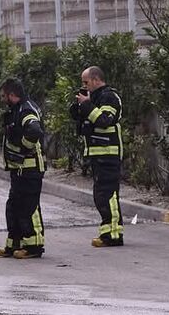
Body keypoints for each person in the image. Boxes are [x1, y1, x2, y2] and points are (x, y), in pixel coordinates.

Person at [70, 66, 124, 247]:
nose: (84, 86)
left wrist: (87, 105)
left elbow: (105, 120)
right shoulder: (92, 97)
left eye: (86, 82)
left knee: (108, 194)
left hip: (108, 154)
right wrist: (78, 106)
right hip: (97, 154)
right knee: (100, 196)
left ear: (96, 79)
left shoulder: (109, 97)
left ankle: (114, 234)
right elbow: (82, 119)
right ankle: (107, 232)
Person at [0, 78, 46, 260]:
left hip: (30, 168)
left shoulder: (26, 110)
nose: (3, 100)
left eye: (4, 96)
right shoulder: (17, 109)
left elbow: (34, 131)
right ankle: (14, 244)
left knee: (28, 207)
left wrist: (23, 147)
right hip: (19, 169)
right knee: (14, 206)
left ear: (12, 95)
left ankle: (33, 246)